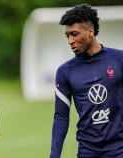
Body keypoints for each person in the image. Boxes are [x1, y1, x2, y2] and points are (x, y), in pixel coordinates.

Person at [50, 4, 123, 158]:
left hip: (119, 148)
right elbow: (61, 117)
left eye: (74, 34)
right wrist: (54, 155)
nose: (70, 40)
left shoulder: (119, 60)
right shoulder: (65, 72)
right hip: (87, 151)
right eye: (67, 35)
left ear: (90, 32)